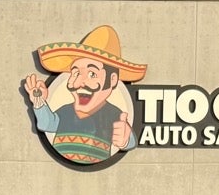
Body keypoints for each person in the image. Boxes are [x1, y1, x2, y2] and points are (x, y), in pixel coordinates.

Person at [22, 25, 146, 165]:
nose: (78, 82)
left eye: (92, 74)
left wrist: (126, 139)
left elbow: (127, 139)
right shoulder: (65, 111)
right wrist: (38, 100)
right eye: (75, 73)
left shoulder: (114, 115)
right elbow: (47, 123)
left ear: (112, 80)